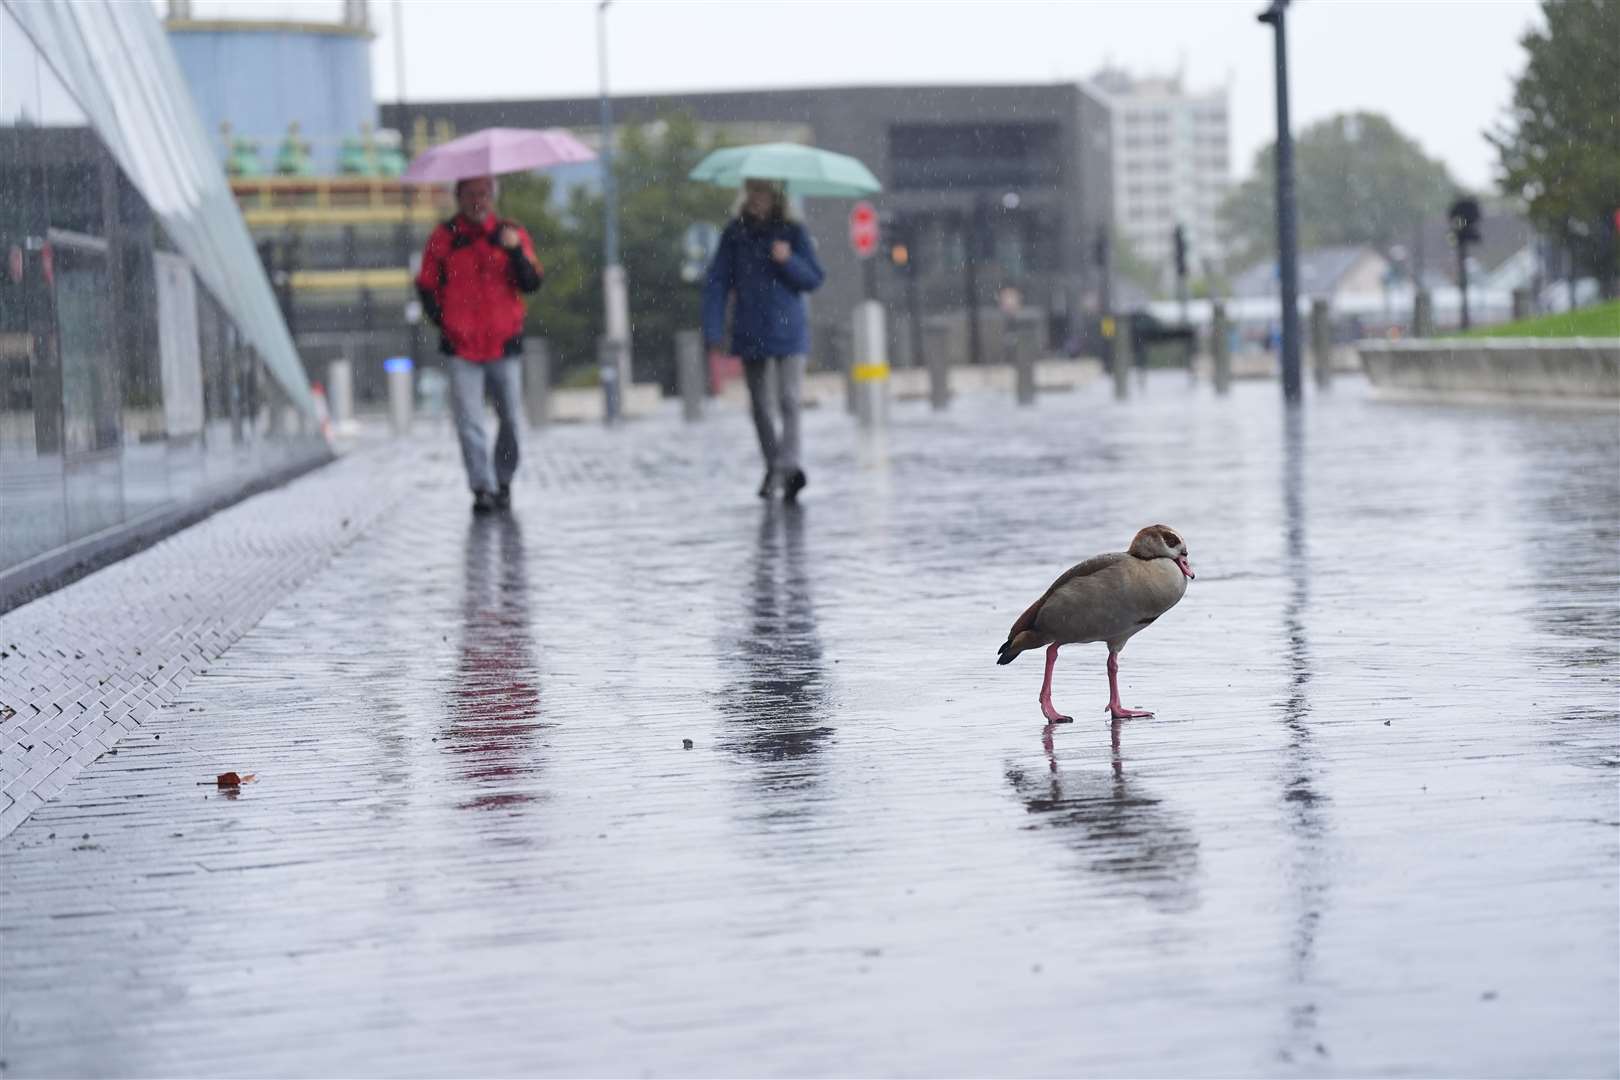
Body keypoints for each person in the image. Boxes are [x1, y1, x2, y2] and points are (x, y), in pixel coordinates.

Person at [415, 175, 543, 514]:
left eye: (483, 194)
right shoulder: (443, 239)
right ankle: (482, 488)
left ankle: (503, 479)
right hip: (463, 345)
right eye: (471, 194)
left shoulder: (509, 233)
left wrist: (514, 250)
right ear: (458, 197)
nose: (477, 201)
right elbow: (426, 286)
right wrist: (446, 323)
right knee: (469, 421)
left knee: (511, 418)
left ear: (492, 197)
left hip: (503, 342)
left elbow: (531, 281)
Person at [703, 178, 825, 502]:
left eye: (764, 193)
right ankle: (775, 465)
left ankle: (788, 465)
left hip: (789, 328)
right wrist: (713, 331)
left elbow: (814, 278)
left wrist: (788, 260)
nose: (758, 198)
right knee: (759, 405)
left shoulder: (793, 232)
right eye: (753, 192)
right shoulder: (735, 234)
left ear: (776, 197)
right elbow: (716, 282)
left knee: (789, 399)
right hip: (750, 327)